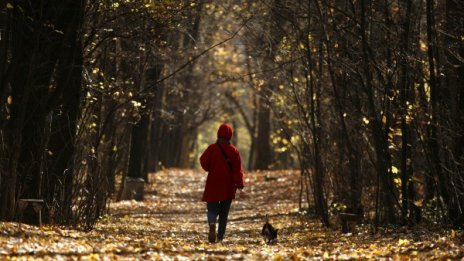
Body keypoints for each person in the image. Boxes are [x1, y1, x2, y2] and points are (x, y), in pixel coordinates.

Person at [200, 123, 245, 243]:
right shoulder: (234, 151)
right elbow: (237, 170)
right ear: (230, 135)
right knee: (224, 214)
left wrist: (210, 168)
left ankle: (212, 223)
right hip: (228, 186)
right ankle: (220, 237)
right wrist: (240, 186)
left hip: (213, 183)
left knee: (212, 209)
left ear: (218, 133)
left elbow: (203, 162)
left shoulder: (212, 148)